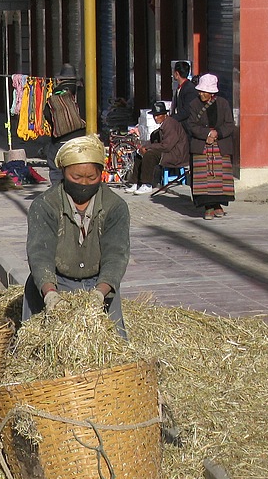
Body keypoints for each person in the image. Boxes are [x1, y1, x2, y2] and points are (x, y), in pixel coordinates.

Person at [23, 135, 130, 336]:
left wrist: (100, 293)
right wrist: (51, 295)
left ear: (101, 174)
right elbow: (39, 254)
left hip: (98, 284)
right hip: (55, 281)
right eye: (76, 178)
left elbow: (116, 254)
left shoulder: (115, 207)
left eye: (91, 178)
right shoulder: (45, 205)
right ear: (63, 173)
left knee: (115, 345)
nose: (83, 184)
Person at [185, 74, 236, 220]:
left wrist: (216, 133)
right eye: (200, 91)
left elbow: (229, 124)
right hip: (202, 146)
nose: (201, 94)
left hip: (220, 145)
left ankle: (218, 205)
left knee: (220, 178)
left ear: (212, 92)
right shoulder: (194, 105)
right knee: (203, 179)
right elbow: (192, 125)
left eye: (204, 92)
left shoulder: (223, 104)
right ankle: (208, 207)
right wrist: (206, 133)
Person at [129, 101, 189, 194]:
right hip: (169, 151)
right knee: (139, 153)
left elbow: (167, 146)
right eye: (154, 116)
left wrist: (148, 147)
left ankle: (147, 184)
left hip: (176, 154)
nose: (156, 118)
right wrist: (144, 147)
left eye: (158, 115)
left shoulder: (170, 124)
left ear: (165, 114)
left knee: (150, 155)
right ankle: (136, 182)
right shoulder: (164, 124)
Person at [44, 63, 86, 185]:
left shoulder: (55, 95)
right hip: (81, 139)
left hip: (60, 140)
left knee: (55, 166)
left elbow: (47, 114)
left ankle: (57, 192)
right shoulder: (84, 93)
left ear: (60, 79)